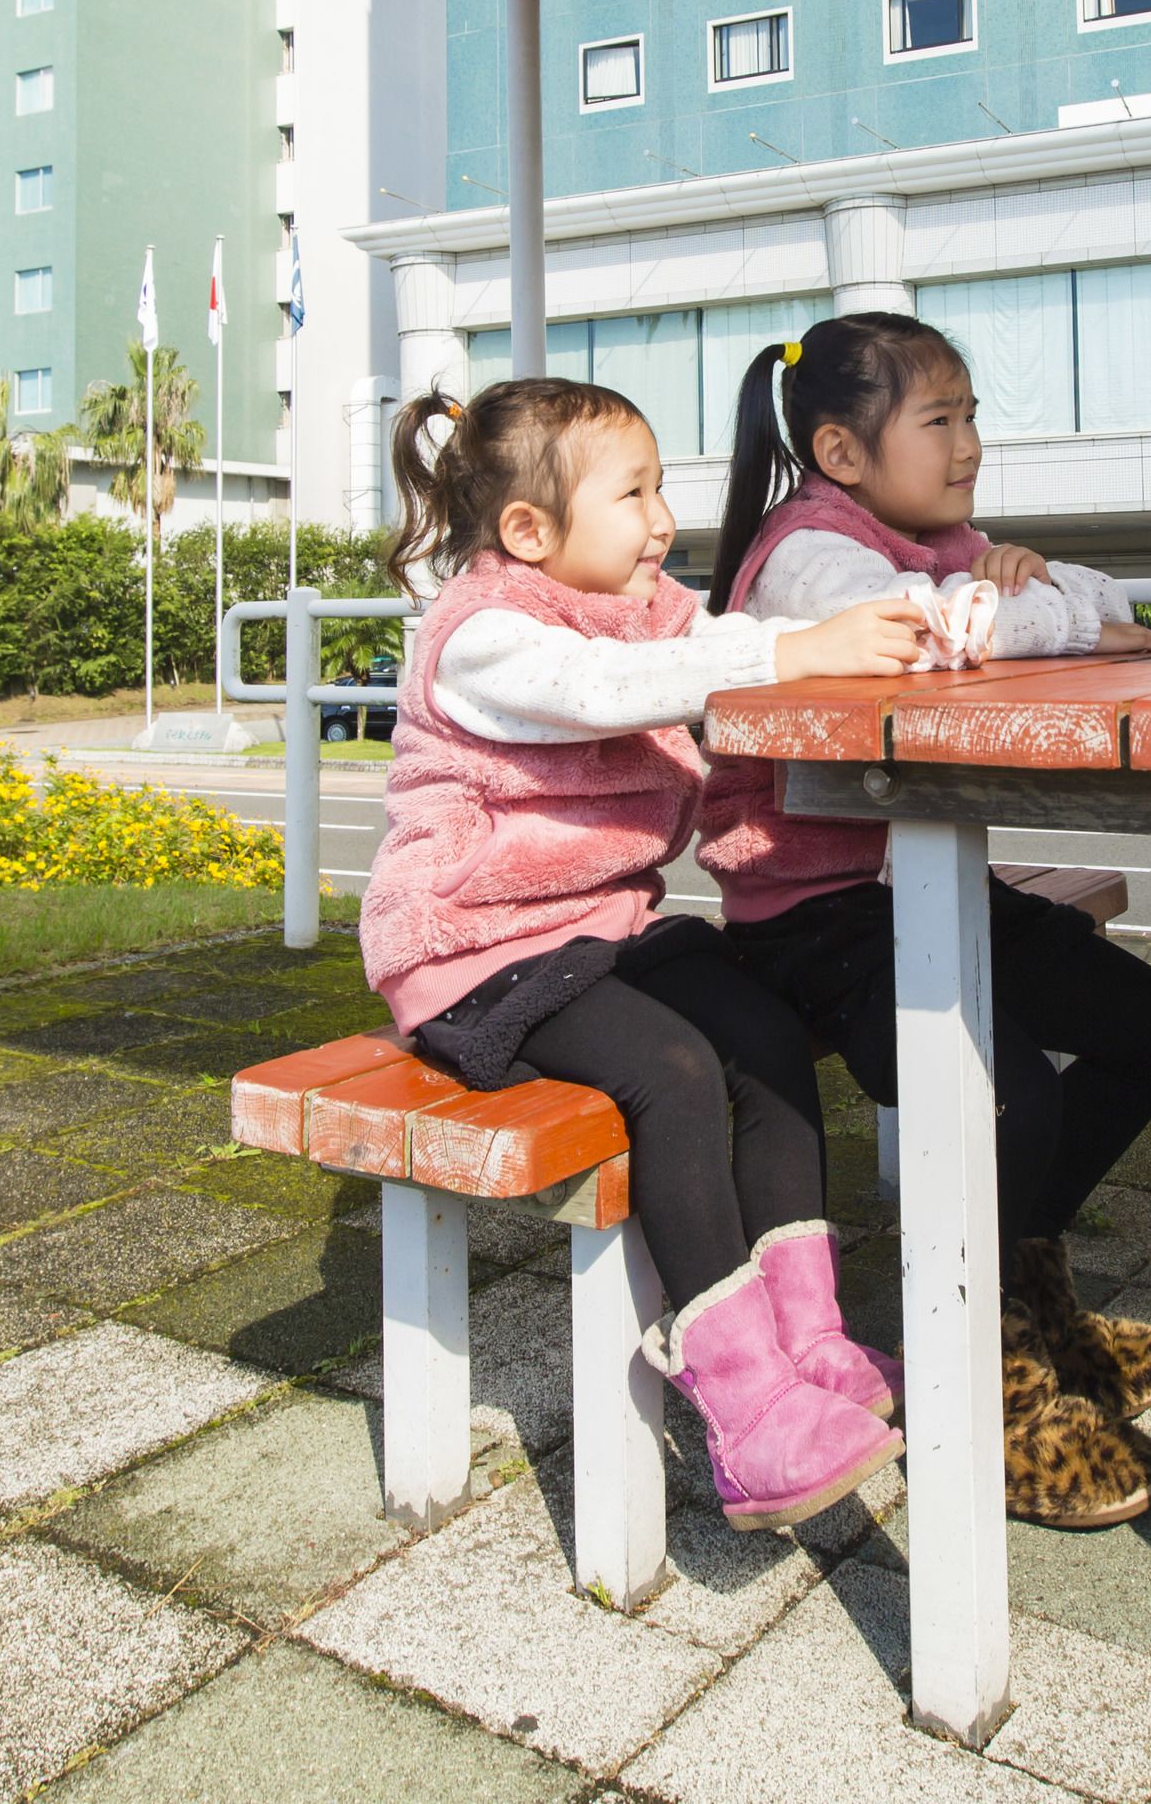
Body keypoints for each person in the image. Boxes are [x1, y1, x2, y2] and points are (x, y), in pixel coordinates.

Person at [356, 375, 936, 1534]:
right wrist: (793, 649)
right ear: (530, 531)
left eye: (662, 487)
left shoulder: (643, 605)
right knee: (671, 1072)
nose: (662, 518)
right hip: (475, 949)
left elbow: (711, 644)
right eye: (634, 493)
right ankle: (744, 1407)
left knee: (768, 1034)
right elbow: (600, 691)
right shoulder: (484, 633)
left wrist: (874, 633)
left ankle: (808, 1335)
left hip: (597, 926)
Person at [700, 311, 1151, 1529]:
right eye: (942, 419)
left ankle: (1020, 1278)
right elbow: (934, 638)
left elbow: (1081, 596)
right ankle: (984, 1368)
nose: (970, 442)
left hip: (921, 881)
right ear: (841, 450)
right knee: (1005, 1094)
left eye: (973, 414)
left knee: (1150, 1026)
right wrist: (1029, 607)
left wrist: (1031, 587)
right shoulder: (812, 552)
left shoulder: (930, 538)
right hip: (810, 917)